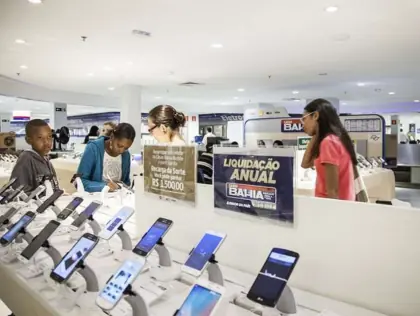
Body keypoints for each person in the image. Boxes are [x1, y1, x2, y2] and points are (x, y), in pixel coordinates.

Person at [301, 99, 357, 200]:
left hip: (331, 207)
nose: (302, 124)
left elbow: (332, 191)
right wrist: (316, 133)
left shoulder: (329, 142)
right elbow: (305, 163)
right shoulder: (336, 139)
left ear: (315, 116)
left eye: (304, 119)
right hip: (340, 205)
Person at [77, 123, 136, 192]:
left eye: (126, 148)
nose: (122, 151)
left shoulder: (126, 155)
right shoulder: (93, 149)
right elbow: (79, 181)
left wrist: (124, 187)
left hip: (117, 200)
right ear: (112, 137)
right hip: (95, 199)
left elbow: (126, 183)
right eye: (119, 146)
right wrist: (105, 186)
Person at [10, 119, 59, 194]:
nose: (46, 142)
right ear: (28, 140)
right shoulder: (26, 158)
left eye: (49, 136)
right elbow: (18, 192)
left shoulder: (46, 160)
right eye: (40, 138)